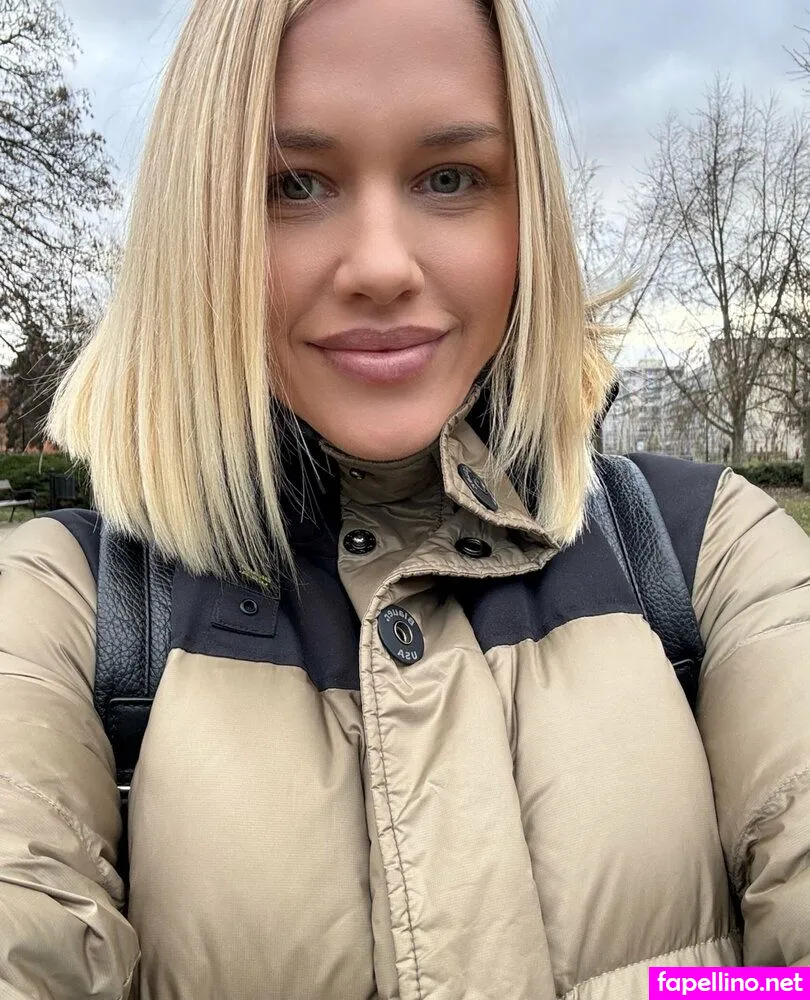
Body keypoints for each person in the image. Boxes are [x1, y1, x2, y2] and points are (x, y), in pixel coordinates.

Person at [1, 0, 809, 996]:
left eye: (449, 178)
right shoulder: (65, 613)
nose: (383, 266)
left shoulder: (708, 553)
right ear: (197, 223)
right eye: (294, 184)